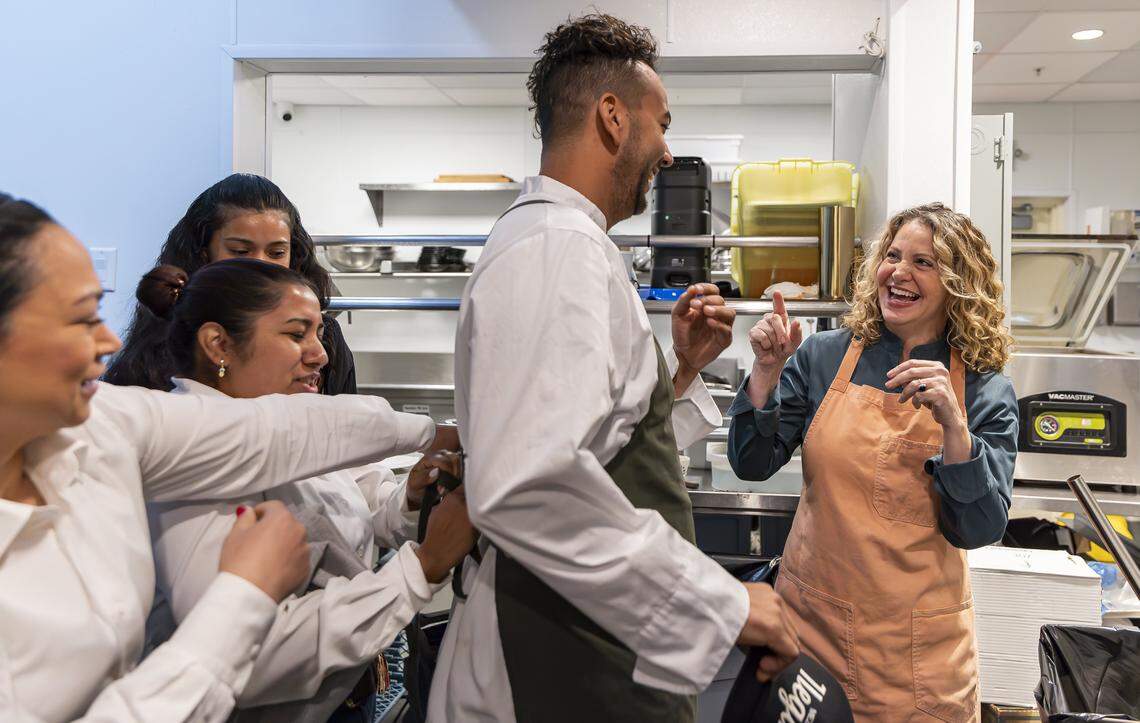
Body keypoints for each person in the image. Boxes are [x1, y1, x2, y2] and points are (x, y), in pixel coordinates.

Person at [428, 14, 799, 722]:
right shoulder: (556, 248)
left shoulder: (568, 243)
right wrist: (723, 600)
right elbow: (530, 482)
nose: (666, 151)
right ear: (611, 117)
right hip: (552, 660)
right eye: (660, 124)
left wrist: (680, 373)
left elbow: (599, 446)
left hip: (582, 645)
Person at [0, 192, 450, 721]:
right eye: (80, 319)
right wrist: (247, 594)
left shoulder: (104, 427)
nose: (104, 340)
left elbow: (271, 432)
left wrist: (428, 434)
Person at [133, 260, 475, 722]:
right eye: (297, 335)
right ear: (219, 345)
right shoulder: (193, 462)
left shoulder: (287, 420)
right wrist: (421, 570)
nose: (321, 355)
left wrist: (410, 497)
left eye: (317, 333)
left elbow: (356, 511)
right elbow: (250, 654)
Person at [729, 203, 1018, 720]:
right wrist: (766, 373)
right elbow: (752, 462)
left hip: (913, 660)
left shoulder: (982, 388)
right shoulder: (825, 356)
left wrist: (955, 428)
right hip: (807, 636)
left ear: (957, 284)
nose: (899, 273)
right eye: (892, 256)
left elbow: (979, 527)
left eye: (923, 263)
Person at [104, 173, 357, 395]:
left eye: (277, 252)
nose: (260, 265)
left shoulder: (326, 340)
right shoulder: (165, 343)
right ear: (204, 253)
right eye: (240, 251)